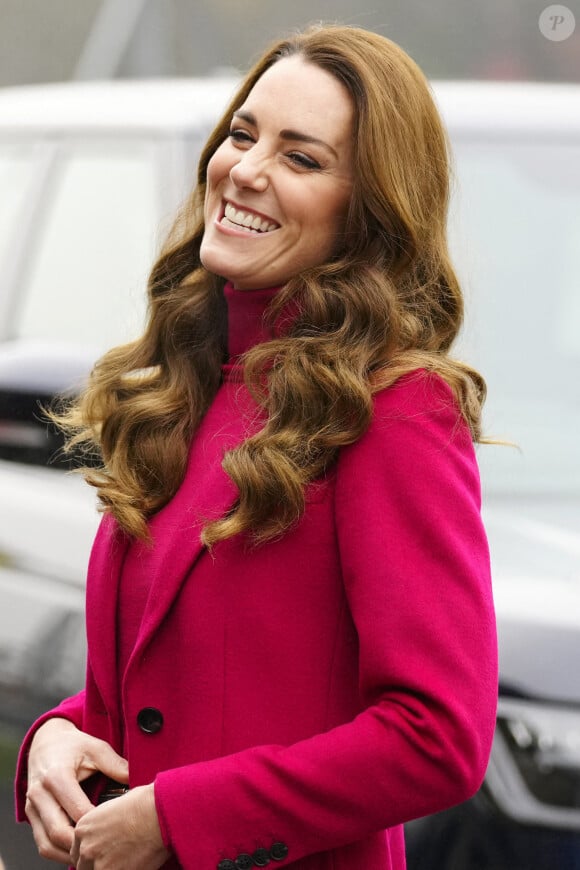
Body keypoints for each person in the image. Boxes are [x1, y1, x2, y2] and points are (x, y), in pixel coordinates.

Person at [14, 23, 498, 870]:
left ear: (369, 211)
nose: (246, 169)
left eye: (302, 159)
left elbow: (437, 737)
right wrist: (62, 734)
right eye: (243, 133)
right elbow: (173, 684)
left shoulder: (399, 411)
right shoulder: (186, 383)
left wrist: (178, 818)